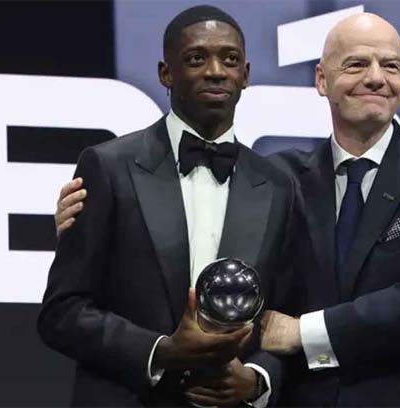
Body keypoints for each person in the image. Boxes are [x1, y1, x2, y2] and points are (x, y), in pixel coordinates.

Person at [55, 12, 400, 407]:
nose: (374, 78)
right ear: (321, 79)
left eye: (390, 66)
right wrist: (94, 222)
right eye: (355, 64)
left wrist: (289, 345)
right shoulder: (281, 179)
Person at [39, 5, 296, 406]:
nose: (215, 71)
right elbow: (63, 311)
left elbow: (290, 314)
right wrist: (161, 352)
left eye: (229, 59)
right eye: (196, 58)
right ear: (166, 73)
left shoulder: (278, 186)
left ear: (245, 75)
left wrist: (257, 379)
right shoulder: (108, 167)